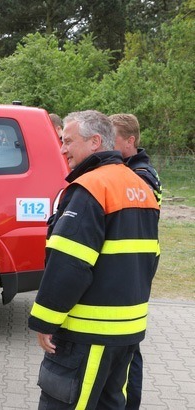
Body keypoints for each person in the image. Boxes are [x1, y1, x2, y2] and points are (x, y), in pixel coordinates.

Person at [28, 110, 160, 409]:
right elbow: (151, 258)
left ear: (94, 142)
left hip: (87, 334)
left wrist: (46, 320)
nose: (63, 149)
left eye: (68, 141)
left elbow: (69, 263)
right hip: (126, 333)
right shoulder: (142, 188)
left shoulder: (90, 188)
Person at [110, 113, 162, 410]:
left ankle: (130, 403)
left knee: (129, 348)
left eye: (113, 139)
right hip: (133, 261)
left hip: (135, 264)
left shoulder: (142, 174)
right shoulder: (132, 168)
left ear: (130, 141)